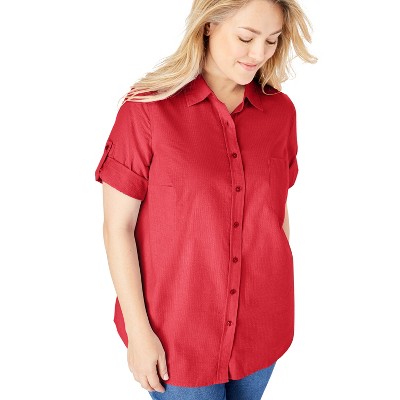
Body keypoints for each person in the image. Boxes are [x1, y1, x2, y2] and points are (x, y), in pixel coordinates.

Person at [94, 0, 317, 398]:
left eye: (271, 40)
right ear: (209, 26)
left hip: (261, 325)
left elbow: (276, 209)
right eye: (246, 37)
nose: (258, 54)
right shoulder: (148, 109)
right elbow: (118, 227)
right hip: (175, 333)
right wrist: (140, 333)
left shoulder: (280, 112)